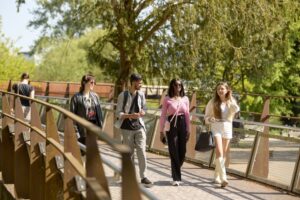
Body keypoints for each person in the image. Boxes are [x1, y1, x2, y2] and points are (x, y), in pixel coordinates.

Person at [115, 73, 152, 186]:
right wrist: (130, 115)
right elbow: (118, 113)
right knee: (129, 154)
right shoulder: (123, 95)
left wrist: (142, 113)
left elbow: (144, 108)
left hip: (139, 126)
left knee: (142, 151)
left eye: (141, 82)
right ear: (133, 82)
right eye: (139, 82)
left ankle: (143, 176)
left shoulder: (141, 95)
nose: (141, 84)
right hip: (126, 128)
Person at [204, 82, 240, 187]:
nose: (220, 90)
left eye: (222, 89)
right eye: (218, 89)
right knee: (219, 151)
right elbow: (206, 117)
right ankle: (224, 177)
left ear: (227, 90)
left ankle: (216, 176)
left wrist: (229, 99)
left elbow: (237, 110)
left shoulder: (231, 100)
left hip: (227, 127)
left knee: (223, 153)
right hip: (216, 127)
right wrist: (211, 119)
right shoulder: (212, 102)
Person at [159, 78, 190, 186]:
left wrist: (188, 129)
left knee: (183, 151)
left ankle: (175, 169)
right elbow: (163, 115)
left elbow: (187, 114)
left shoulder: (185, 99)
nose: (178, 87)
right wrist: (161, 131)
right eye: (176, 85)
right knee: (173, 150)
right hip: (171, 124)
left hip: (182, 124)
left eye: (180, 85)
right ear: (172, 86)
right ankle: (176, 177)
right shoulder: (167, 99)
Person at [70, 74, 103, 146]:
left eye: (94, 83)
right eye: (91, 82)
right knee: (82, 153)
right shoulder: (76, 98)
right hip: (82, 130)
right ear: (84, 83)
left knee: (92, 153)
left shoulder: (95, 96)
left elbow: (99, 113)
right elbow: (72, 116)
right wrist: (76, 132)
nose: (93, 84)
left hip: (93, 130)